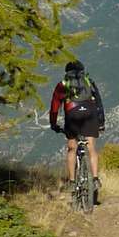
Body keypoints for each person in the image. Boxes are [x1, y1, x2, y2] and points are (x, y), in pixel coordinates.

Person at [49, 59, 105, 195]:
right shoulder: (88, 82)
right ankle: (96, 178)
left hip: (72, 115)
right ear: (82, 71)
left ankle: (72, 182)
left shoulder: (62, 85)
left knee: (72, 148)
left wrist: (53, 123)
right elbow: (99, 102)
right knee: (91, 147)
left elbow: (55, 107)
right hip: (90, 114)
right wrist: (101, 122)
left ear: (67, 72)